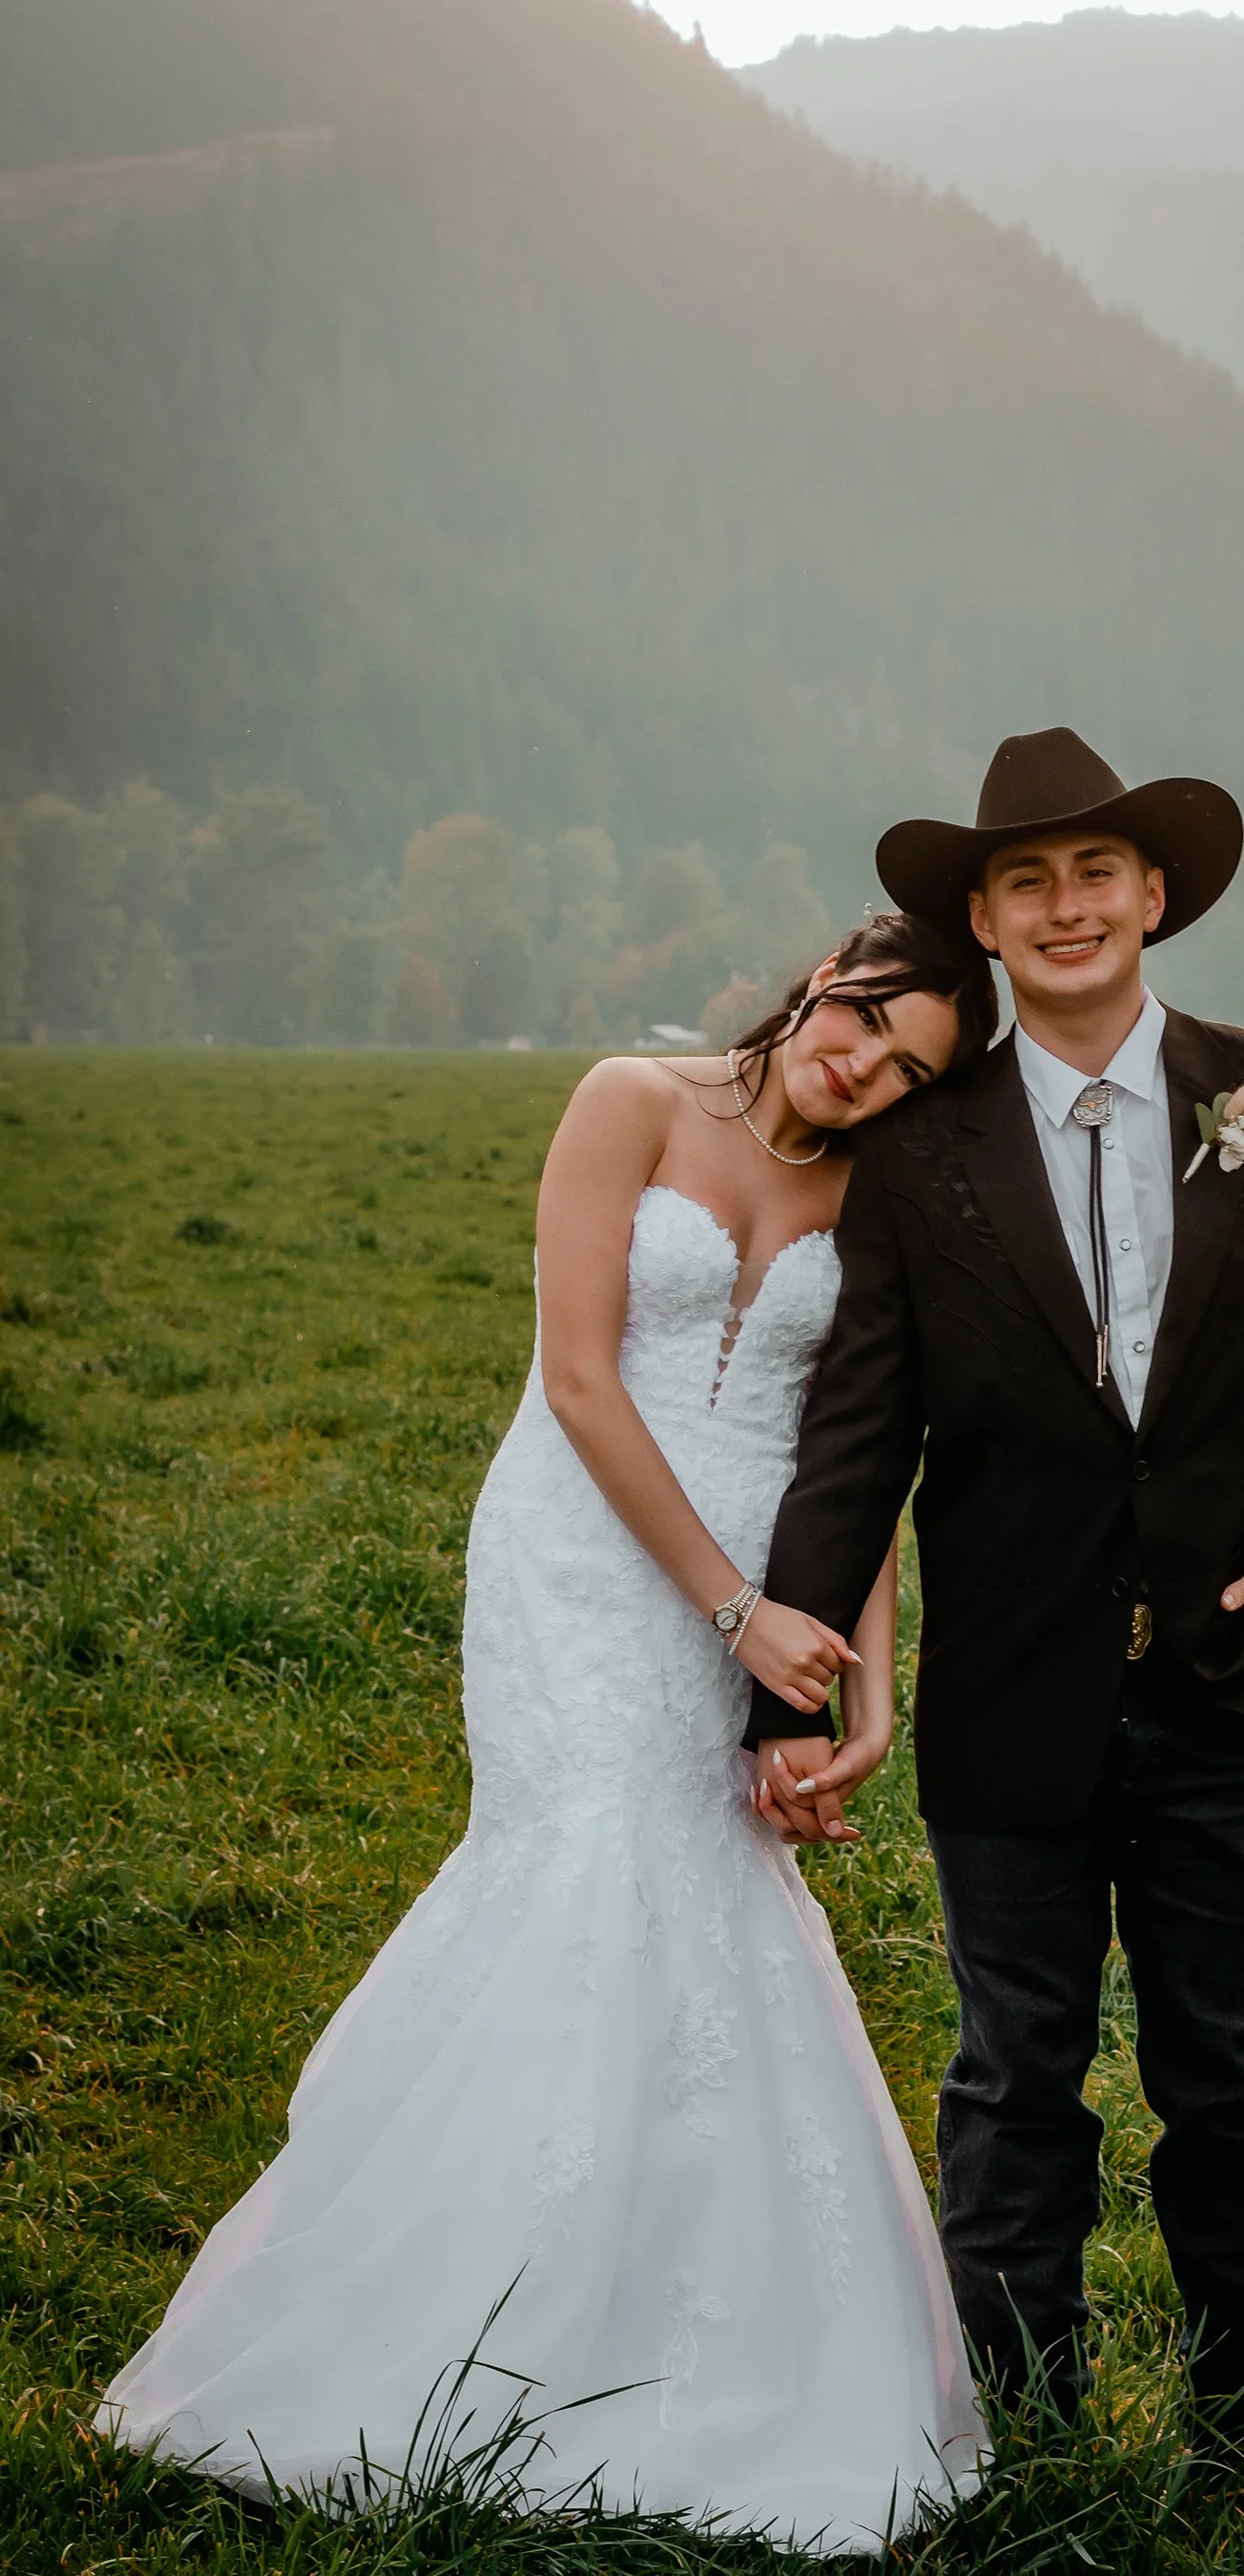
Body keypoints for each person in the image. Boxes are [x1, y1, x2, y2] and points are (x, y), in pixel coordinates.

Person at [98, 912, 997, 2554]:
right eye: (866, 1018)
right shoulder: (630, 1098)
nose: (861, 1066)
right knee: (583, 1866)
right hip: (582, 1560)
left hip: (761, 1582)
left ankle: (687, 2319)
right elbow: (582, 1382)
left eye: (907, 1072)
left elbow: (858, 1449)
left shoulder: (872, 1201)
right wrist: (736, 1611)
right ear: (823, 979)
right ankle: (461, 2321)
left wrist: (865, 1681)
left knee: (710, 1894)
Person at [748, 729, 1244, 2492]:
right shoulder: (923, 1150)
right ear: (983, 919)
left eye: (1095, 875)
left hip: (1225, 1691)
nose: (1066, 907)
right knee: (1014, 2080)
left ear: (1155, 897)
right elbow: (860, 1429)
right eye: (1026, 881)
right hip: (1008, 1698)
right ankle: (1022, 2443)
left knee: (1231, 2079)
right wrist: (793, 1681)